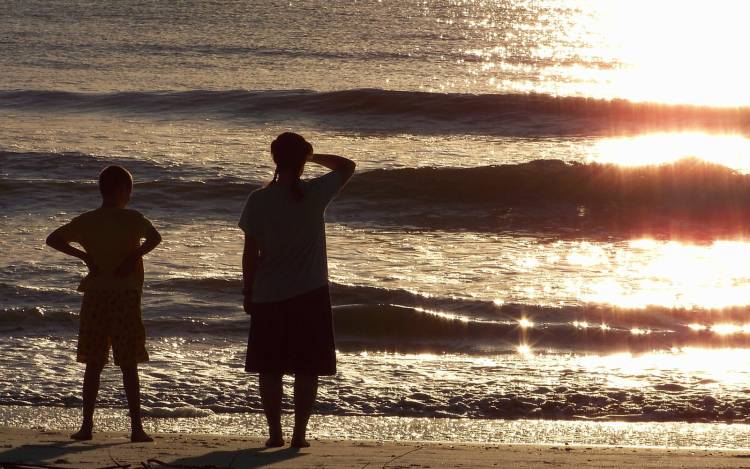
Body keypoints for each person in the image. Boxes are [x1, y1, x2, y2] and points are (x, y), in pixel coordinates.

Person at [239, 132, 355, 448]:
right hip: (310, 291)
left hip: (268, 293)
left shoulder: (258, 200)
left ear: (274, 159)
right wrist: (312, 156)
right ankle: (299, 435)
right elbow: (347, 165)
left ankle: (275, 432)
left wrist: (247, 291)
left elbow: (250, 253)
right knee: (307, 367)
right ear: (301, 160)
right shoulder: (314, 193)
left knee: (270, 367)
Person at [46, 165, 161, 443]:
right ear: (124, 191)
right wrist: (133, 257)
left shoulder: (88, 220)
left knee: (94, 363)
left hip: (95, 295)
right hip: (124, 296)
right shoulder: (133, 218)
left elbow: (53, 239)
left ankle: (87, 426)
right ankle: (136, 428)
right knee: (128, 363)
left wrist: (85, 257)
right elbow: (155, 238)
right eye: (129, 190)